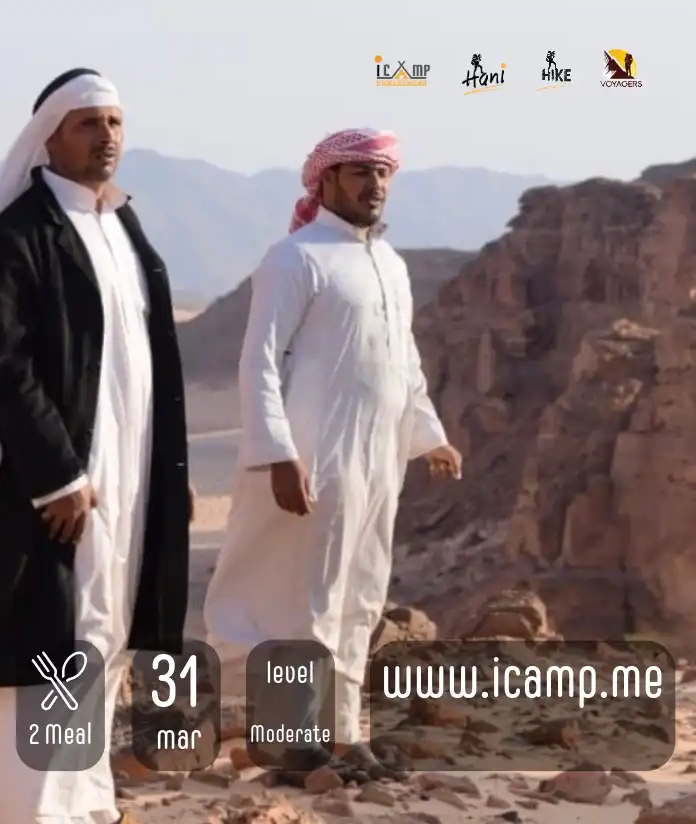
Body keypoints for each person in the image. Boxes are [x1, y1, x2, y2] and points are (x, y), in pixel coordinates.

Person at [0, 68, 192, 823]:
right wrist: (57, 477)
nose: (106, 137)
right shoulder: (18, 236)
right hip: (54, 486)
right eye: (88, 124)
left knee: (104, 634)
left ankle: (85, 806)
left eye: (115, 123)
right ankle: (29, 812)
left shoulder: (123, 225)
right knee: (54, 642)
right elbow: (7, 365)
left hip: (130, 467)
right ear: (47, 137)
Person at [202, 128, 462, 781]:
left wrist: (430, 436)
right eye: (357, 174)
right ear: (324, 183)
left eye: (381, 174)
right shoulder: (295, 259)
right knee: (307, 600)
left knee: (361, 597)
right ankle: (294, 740)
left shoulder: (391, 264)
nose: (373, 186)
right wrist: (276, 453)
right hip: (312, 461)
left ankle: (344, 735)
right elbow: (257, 362)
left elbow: (404, 365)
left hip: (376, 462)